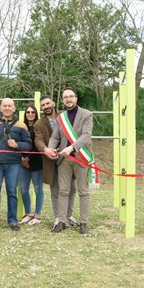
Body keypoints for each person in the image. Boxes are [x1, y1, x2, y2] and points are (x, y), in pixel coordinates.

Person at [0, 98, 32, 233]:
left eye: (9, 106)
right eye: (4, 106)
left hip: (13, 163)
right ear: (0, 108)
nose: (7, 108)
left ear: (14, 108)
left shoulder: (21, 125)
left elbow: (29, 145)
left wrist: (17, 145)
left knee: (12, 193)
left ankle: (12, 220)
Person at [48, 87, 94, 234]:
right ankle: (62, 221)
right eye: (65, 97)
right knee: (63, 191)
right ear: (62, 100)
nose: (68, 99)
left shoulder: (86, 114)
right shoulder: (61, 117)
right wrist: (50, 149)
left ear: (76, 98)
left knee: (83, 192)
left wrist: (72, 148)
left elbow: (86, 135)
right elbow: (55, 137)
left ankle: (84, 223)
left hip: (80, 157)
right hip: (64, 160)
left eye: (71, 96)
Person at [34, 95, 77, 229]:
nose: (46, 106)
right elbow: (38, 140)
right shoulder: (38, 124)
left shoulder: (65, 116)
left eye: (47, 103)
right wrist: (46, 150)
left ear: (53, 103)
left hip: (69, 157)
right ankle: (58, 218)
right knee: (55, 190)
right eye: (43, 105)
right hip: (51, 160)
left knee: (71, 189)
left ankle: (68, 216)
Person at [19, 104, 44, 225]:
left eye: (32, 112)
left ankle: (37, 215)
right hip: (23, 163)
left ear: (36, 113)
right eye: (28, 112)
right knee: (23, 189)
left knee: (38, 189)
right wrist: (23, 159)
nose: (30, 114)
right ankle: (28, 213)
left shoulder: (39, 127)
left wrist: (28, 158)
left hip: (36, 162)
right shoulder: (21, 127)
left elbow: (38, 145)